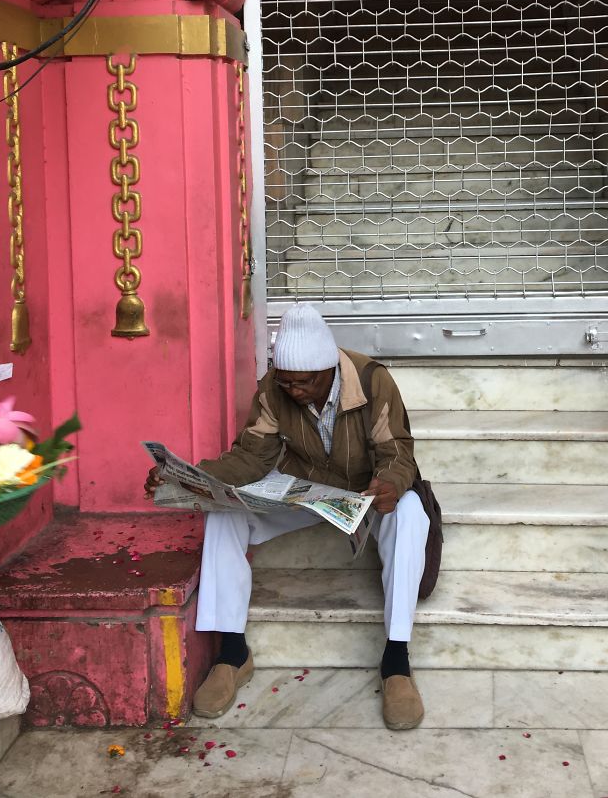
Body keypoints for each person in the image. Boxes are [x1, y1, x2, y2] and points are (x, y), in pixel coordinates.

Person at [144, 303, 429, 730]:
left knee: (410, 513)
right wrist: (191, 478)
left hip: (364, 493)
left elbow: (396, 450)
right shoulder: (273, 389)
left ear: (328, 369)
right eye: (286, 382)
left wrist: (389, 482)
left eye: (303, 383)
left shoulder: (372, 380)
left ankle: (397, 662)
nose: (293, 390)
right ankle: (232, 654)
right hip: (305, 491)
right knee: (225, 512)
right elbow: (250, 456)